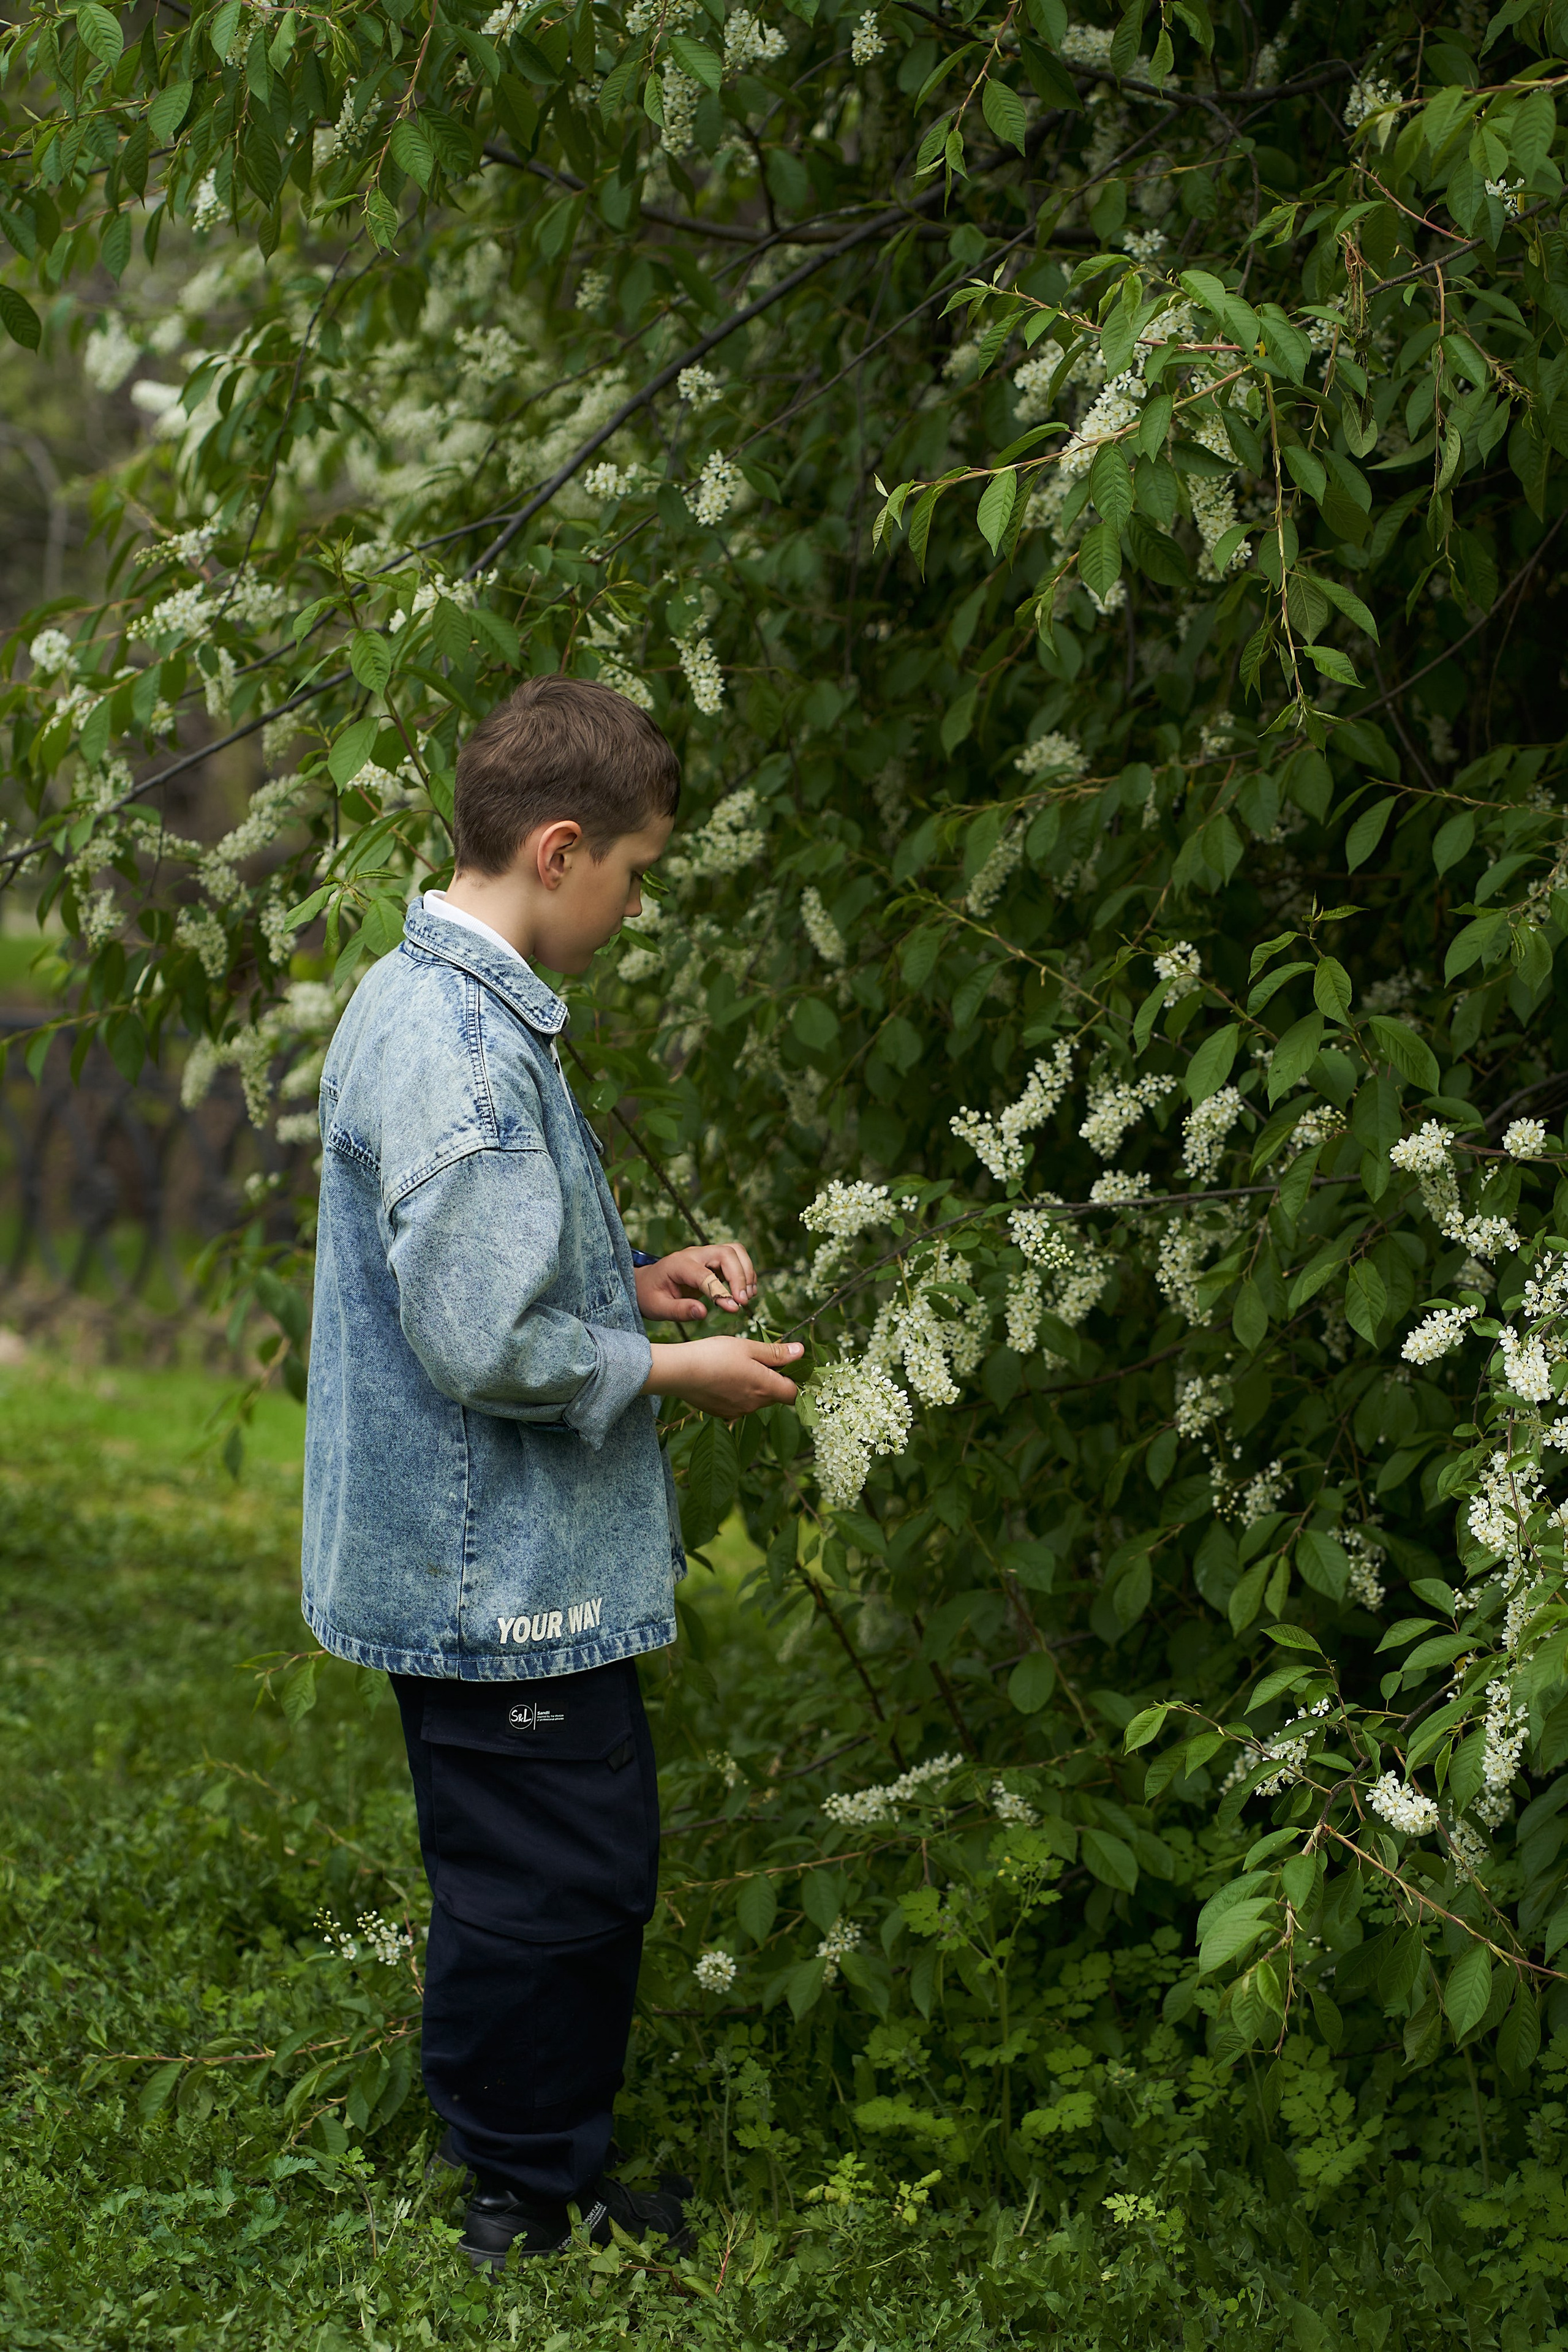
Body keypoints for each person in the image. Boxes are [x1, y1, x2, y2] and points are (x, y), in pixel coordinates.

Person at [301, 674, 802, 2269]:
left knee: (553, 1864)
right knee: (550, 1887)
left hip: (488, 1569)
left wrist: (632, 1278)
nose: (633, 911)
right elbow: (482, 1346)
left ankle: (544, 2172)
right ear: (563, 849)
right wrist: (673, 1371)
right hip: (491, 1579)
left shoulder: (428, 998)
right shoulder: (462, 1048)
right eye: (640, 876)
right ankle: (522, 2205)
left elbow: (483, 1280)